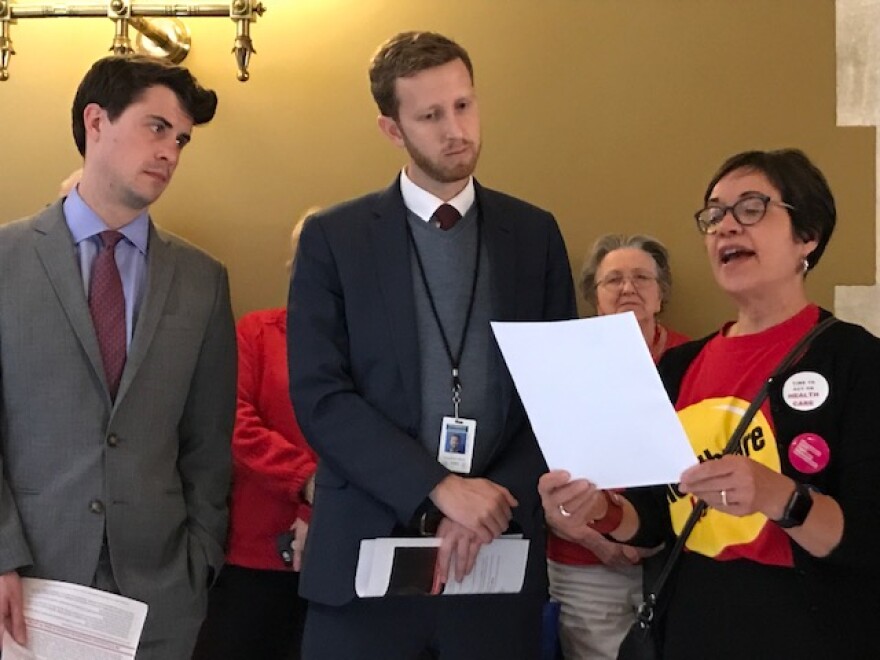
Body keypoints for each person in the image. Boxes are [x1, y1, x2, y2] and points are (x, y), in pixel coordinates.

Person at [288, 31, 576, 660]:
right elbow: (322, 397)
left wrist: (489, 500)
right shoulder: (334, 238)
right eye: (431, 115)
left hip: (497, 555)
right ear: (392, 129)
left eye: (465, 106)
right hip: (364, 558)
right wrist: (441, 490)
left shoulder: (533, 233)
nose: (456, 130)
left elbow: (557, 396)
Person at [539, 148, 880, 658]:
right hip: (692, 628)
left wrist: (779, 497)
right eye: (714, 214)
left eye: (751, 208)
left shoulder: (853, 358)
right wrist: (600, 510)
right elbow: (655, 516)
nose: (725, 227)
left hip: (809, 633)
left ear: (807, 235)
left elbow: (868, 538)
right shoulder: (681, 367)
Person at [0, 55, 236, 660]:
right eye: (157, 127)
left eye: (181, 139)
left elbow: (208, 440)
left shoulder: (202, 279)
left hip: (160, 596)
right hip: (27, 588)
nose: (171, 152)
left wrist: (199, 558)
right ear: (96, 121)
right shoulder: (6, 260)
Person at [546, 234, 688, 660]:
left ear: (661, 295)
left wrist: (652, 538)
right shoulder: (559, 361)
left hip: (678, 561)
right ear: (594, 296)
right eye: (613, 280)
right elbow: (539, 469)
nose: (628, 288)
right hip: (584, 563)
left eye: (642, 278)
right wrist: (602, 543)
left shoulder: (696, 359)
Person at [192, 214, 317, 660]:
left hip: (336, 553)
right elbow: (232, 421)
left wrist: (315, 502)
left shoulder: (370, 352)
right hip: (252, 555)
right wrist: (307, 480)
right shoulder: (256, 332)